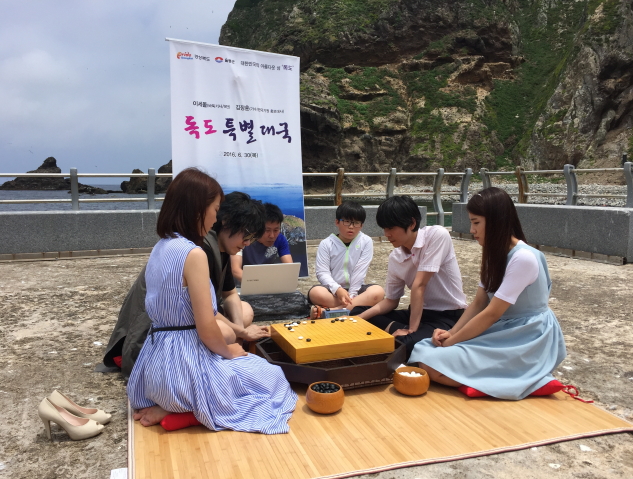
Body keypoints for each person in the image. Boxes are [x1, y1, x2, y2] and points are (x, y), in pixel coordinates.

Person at [128, 168, 297, 432]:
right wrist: (230, 351)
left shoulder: (161, 246)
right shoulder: (194, 253)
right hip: (182, 364)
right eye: (215, 209)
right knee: (271, 376)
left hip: (154, 366)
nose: (216, 217)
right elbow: (206, 326)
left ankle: (179, 406)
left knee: (237, 351)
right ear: (198, 208)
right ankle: (191, 410)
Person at [409, 187, 567, 400]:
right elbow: (478, 303)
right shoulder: (495, 254)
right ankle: (492, 379)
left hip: (527, 336)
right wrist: (452, 333)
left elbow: (492, 313)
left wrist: (452, 342)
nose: (472, 230)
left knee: (432, 365)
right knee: (424, 348)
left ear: (495, 221)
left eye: (476, 222)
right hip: (503, 329)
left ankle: (518, 381)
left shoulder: (523, 258)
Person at [103, 192, 269, 377]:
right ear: (226, 220)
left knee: (244, 311)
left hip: (183, 321)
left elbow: (229, 294)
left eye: (252, 239)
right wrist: (239, 335)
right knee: (227, 333)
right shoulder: (200, 249)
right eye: (246, 235)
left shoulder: (216, 246)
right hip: (155, 333)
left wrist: (241, 335)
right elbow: (206, 313)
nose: (247, 243)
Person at [350, 195, 467, 358]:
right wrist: (358, 319)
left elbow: (420, 285)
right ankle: (408, 332)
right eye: (384, 228)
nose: (386, 234)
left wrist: (411, 330)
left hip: (447, 316)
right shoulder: (396, 257)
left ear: (411, 223)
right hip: (417, 314)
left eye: (391, 228)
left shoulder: (437, 235)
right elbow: (391, 301)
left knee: (405, 344)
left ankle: (409, 333)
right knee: (357, 311)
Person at [308, 201, 384, 314]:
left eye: (356, 223)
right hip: (333, 290)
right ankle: (353, 308)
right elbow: (322, 272)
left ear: (362, 225)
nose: (351, 227)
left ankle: (334, 310)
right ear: (337, 222)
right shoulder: (326, 243)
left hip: (357, 289)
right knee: (316, 292)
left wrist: (352, 295)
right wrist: (337, 289)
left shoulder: (366, 241)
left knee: (378, 292)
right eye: (347, 221)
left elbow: (360, 270)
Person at [231, 202, 293, 283]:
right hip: (240, 284)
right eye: (267, 230)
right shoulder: (243, 239)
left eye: (276, 230)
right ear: (257, 227)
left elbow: (290, 269)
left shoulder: (280, 239)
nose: (272, 236)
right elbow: (235, 270)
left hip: (265, 283)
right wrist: (259, 283)